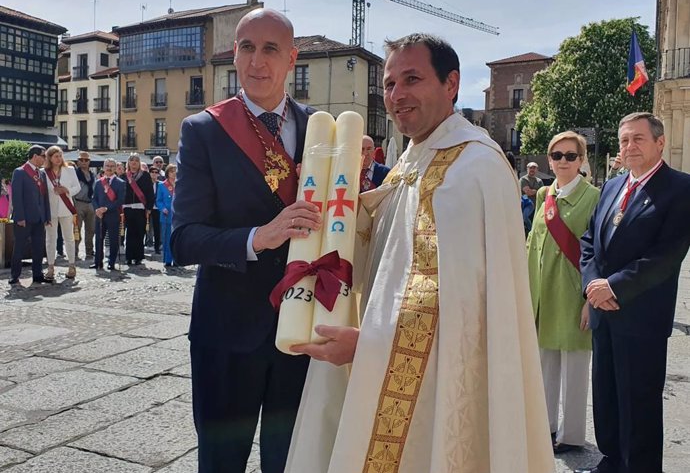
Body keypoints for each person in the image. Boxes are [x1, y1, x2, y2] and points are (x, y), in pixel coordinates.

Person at [286, 33, 553, 473]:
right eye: (390, 84)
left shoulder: (473, 167)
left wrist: (371, 346)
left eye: (412, 79)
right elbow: (388, 252)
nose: (397, 95)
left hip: (442, 381)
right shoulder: (412, 160)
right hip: (380, 353)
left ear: (451, 84)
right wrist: (342, 202)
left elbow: (458, 303)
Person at [170, 8, 321, 473]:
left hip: (302, 330)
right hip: (227, 332)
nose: (257, 61)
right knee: (221, 463)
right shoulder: (204, 130)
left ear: (292, 58)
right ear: (234, 54)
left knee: (292, 462)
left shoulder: (321, 128)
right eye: (246, 47)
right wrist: (262, 236)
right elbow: (184, 240)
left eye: (270, 48)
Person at [576, 112, 690, 473]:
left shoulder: (681, 188)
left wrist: (615, 286)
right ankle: (610, 461)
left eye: (638, 139)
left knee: (639, 403)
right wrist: (593, 288)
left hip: (641, 317)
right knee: (606, 396)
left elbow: (667, 255)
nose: (629, 146)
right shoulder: (612, 186)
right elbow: (590, 241)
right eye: (624, 140)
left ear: (659, 142)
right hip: (603, 313)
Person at [526, 131, 600, 455]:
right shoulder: (544, 195)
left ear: (581, 160)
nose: (563, 162)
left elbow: (600, 251)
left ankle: (570, 435)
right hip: (543, 292)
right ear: (549, 160)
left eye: (571, 156)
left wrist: (590, 301)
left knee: (574, 366)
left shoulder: (594, 197)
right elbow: (532, 244)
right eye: (557, 156)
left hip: (574, 295)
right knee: (545, 364)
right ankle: (546, 427)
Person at [9, 145, 52, 285]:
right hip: (24, 218)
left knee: (38, 248)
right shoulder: (20, 172)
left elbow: (44, 197)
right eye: (43, 156)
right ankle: (15, 275)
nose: (45, 159)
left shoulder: (42, 173)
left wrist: (47, 216)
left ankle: (37, 274)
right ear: (35, 156)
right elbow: (16, 197)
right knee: (19, 248)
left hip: (39, 218)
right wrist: (20, 217)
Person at [44, 146, 81, 280]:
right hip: (51, 210)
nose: (59, 159)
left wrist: (67, 190)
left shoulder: (69, 170)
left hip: (66, 208)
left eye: (60, 156)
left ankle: (71, 265)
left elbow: (77, 187)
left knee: (69, 238)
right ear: (50, 158)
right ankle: (50, 267)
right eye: (56, 156)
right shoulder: (44, 172)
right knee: (50, 239)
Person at [91, 158, 125, 271]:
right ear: (103, 168)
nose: (109, 168)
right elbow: (94, 198)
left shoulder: (120, 183)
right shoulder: (98, 182)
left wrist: (107, 208)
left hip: (113, 215)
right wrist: (97, 209)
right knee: (99, 239)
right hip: (100, 215)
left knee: (113, 240)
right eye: (107, 166)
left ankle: (111, 262)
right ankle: (98, 262)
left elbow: (120, 200)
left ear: (115, 168)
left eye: (112, 166)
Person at [123, 154, 154, 266]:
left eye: (136, 160)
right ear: (128, 163)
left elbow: (150, 192)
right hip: (128, 208)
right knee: (130, 233)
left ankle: (138, 256)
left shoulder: (145, 175)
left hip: (141, 208)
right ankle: (129, 257)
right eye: (132, 160)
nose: (134, 162)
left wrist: (149, 207)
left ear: (139, 163)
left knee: (140, 233)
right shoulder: (124, 176)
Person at [73, 151, 96, 259]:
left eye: (86, 160)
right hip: (78, 202)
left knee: (91, 229)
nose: (83, 162)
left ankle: (89, 251)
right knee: (77, 229)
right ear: (77, 161)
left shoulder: (92, 174)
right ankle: (74, 252)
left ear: (89, 162)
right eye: (81, 160)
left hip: (90, 203)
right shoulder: (74, 174)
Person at [156, 164, 176, 267]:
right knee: (167, 238)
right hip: (166, 215)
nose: (174, 173)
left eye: (175, 171)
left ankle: (177, 259)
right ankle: (168, 259)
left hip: (178, 216)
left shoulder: (180, 184)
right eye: (172, 171)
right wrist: (162, 208)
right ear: (167, 173)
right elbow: (158, 201)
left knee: (177, 238)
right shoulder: (161, 185)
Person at [147, 166, 162, 254]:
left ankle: (157, 247)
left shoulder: (160, 184)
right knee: (147, 228)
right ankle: (148, 245)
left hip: (157, 209)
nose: (154, 174)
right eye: (152, 172)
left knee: (157, 229)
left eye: (156, 172)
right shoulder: (146, 183)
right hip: (148, 209)